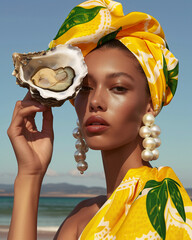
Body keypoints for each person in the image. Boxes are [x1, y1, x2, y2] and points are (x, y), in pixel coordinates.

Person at [7, 0, 192, 239]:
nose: (95, 100)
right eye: (85, 88)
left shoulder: (167, 211)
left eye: (117, 87)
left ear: (150, 103)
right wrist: (29, 175)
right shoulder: (80, 217)